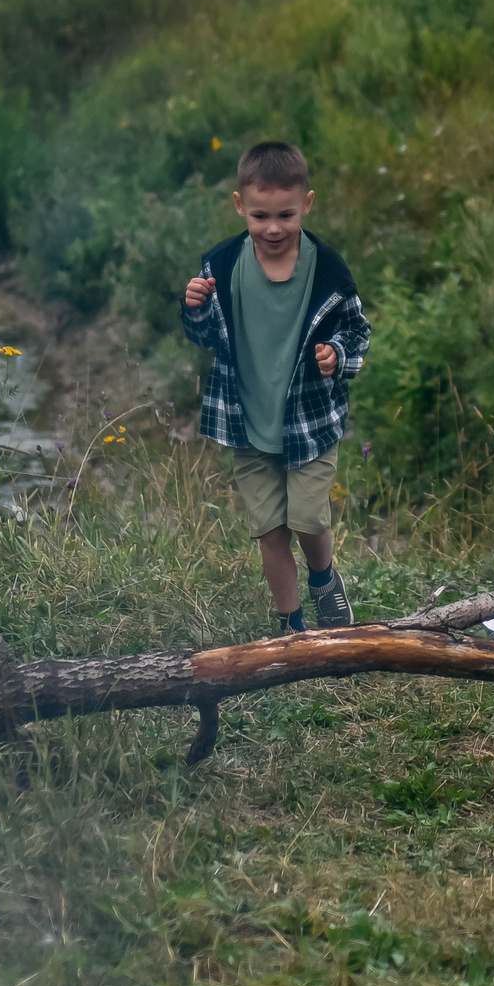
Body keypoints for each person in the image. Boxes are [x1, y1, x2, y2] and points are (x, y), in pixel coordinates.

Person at [181, 141, 371, 634]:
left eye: (286, 215)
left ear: (306, 204)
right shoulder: (220, 266)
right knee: (271, 529)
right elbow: (204, 337)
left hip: (309, 422)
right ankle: (292, 628)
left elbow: (357, 331)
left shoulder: (327, 268)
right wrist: (196, 307)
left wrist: (337, 355)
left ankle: (324, 579)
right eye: (260, 215)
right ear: (240, 205)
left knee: (308, 520)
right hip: (247, 424)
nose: (273, 228)